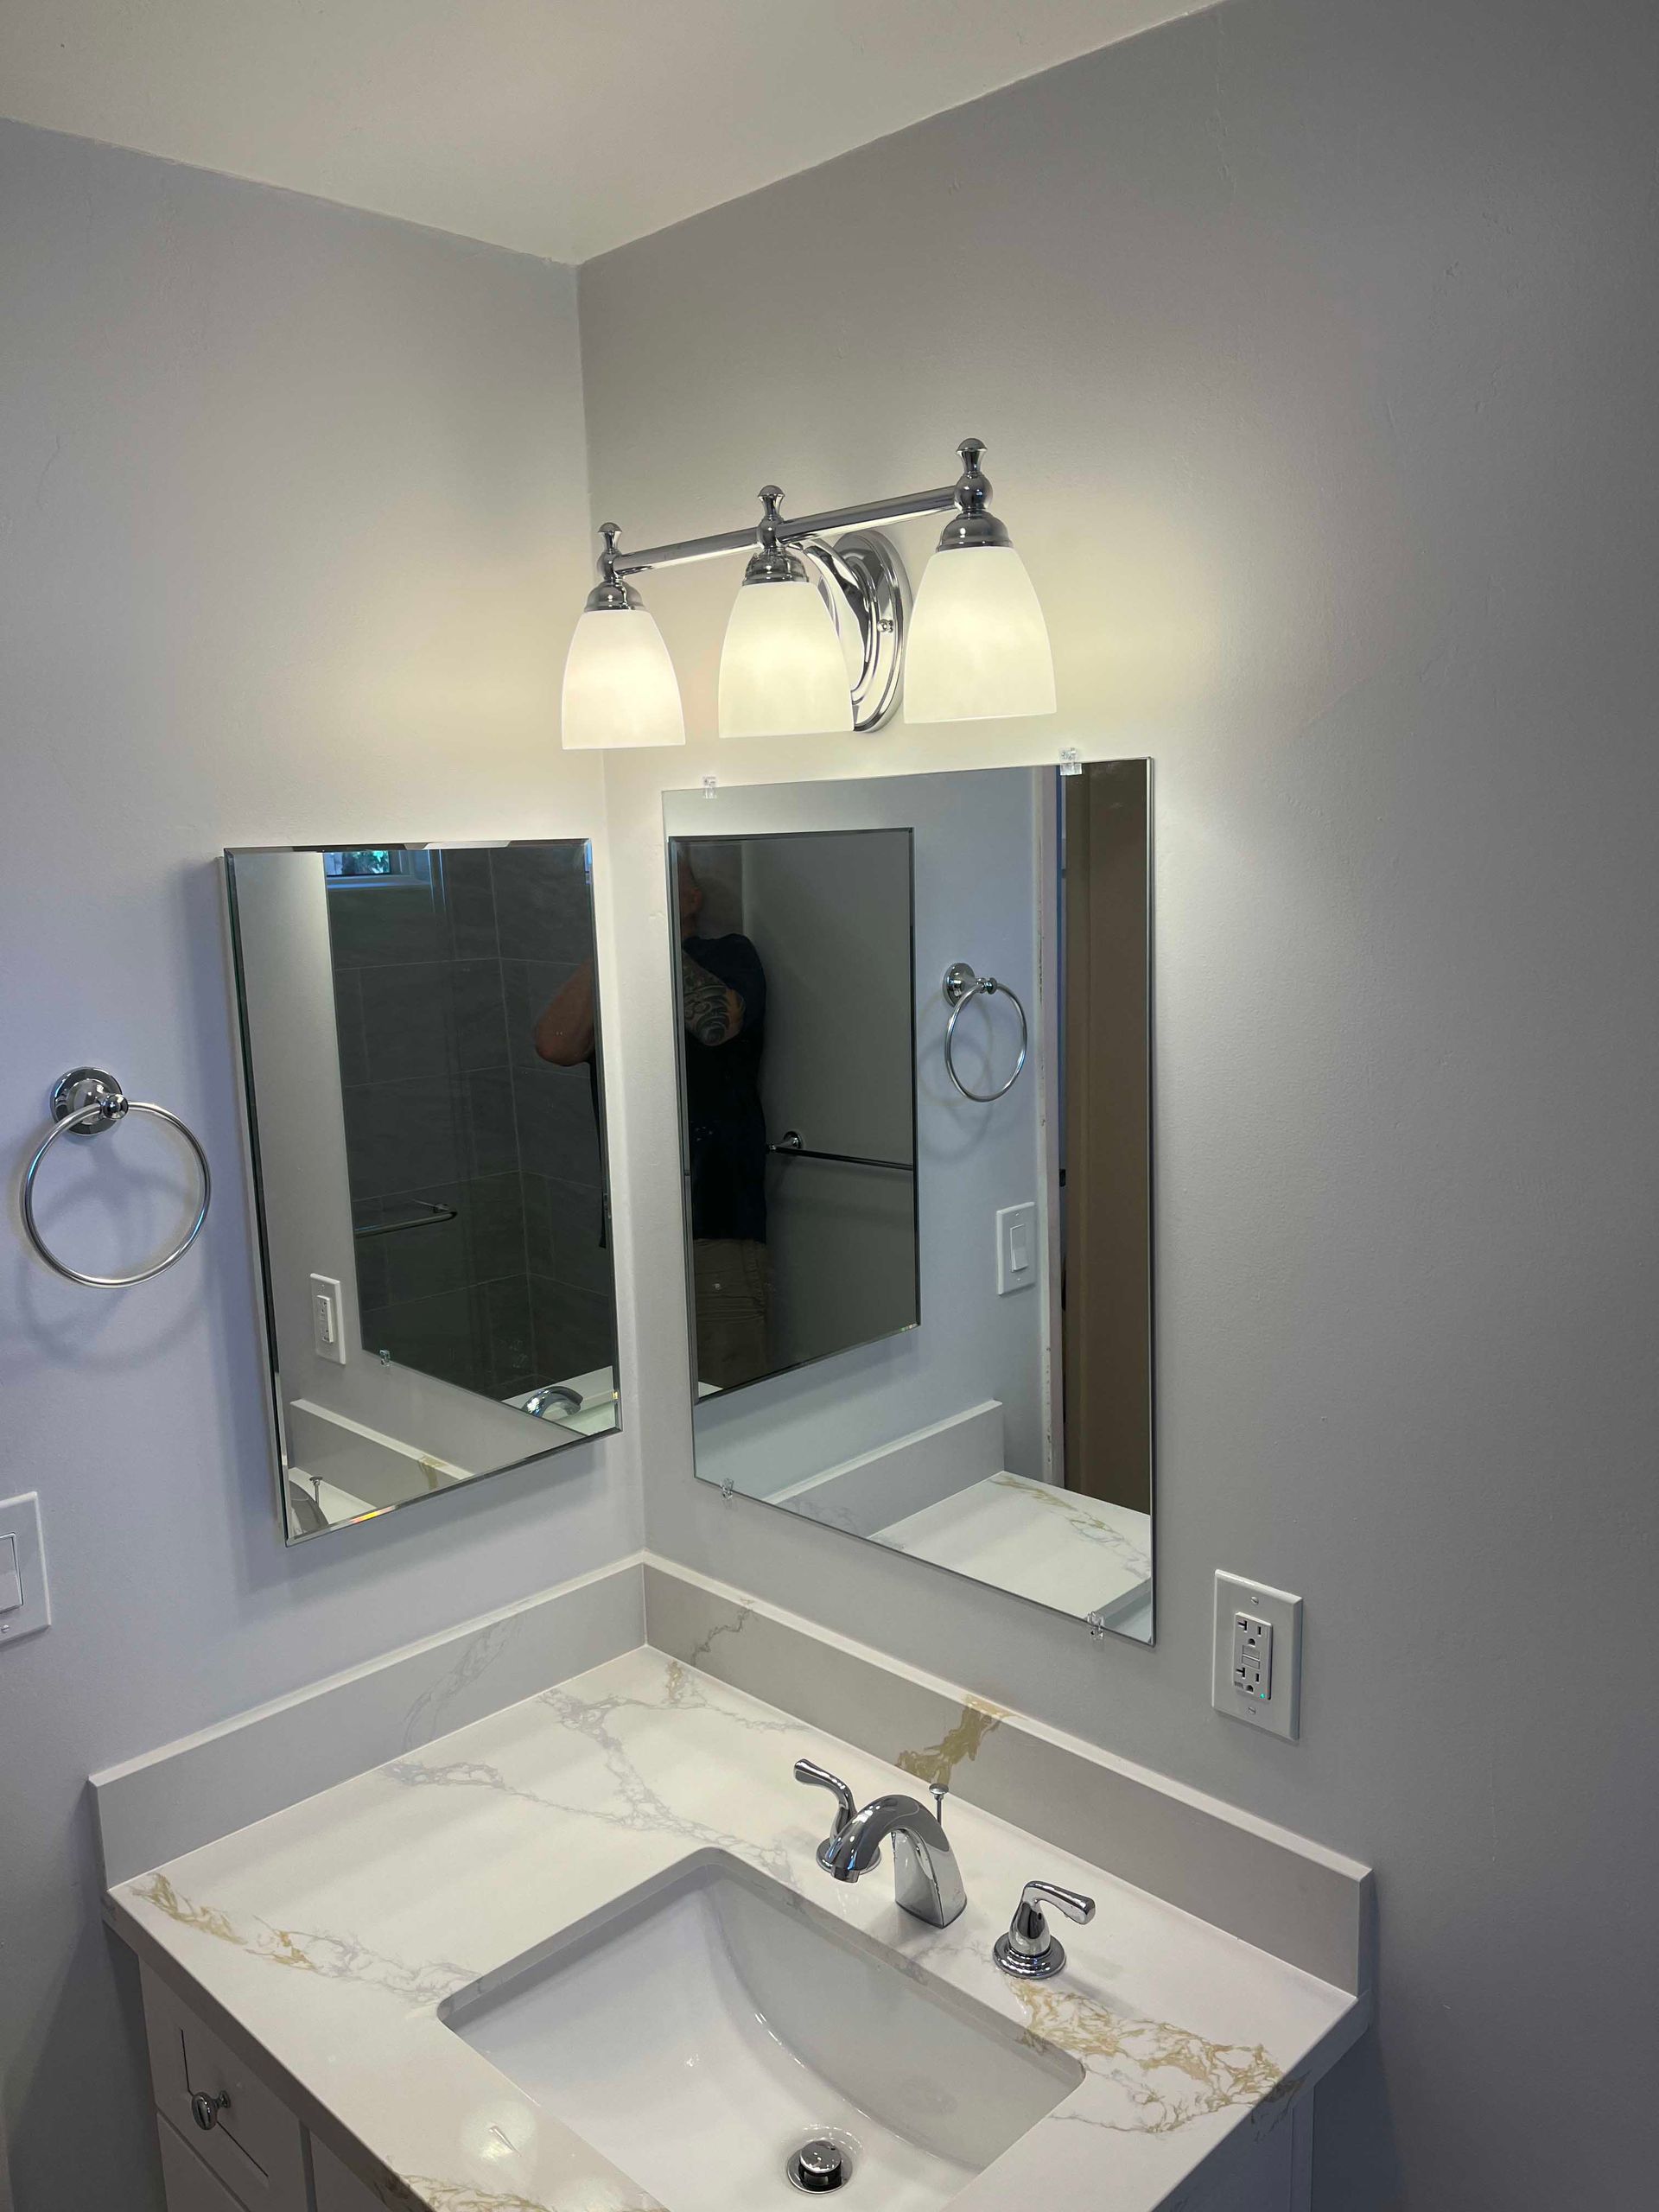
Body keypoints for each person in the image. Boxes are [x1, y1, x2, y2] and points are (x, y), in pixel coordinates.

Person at [534, 853, 770, 1389]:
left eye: (653, 882)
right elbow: (555, 1044)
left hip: (717, 1223)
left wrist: (651, 931)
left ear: (691, 899)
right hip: (637, 1229)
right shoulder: (616, 975)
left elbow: (717, 1026)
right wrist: (610, 940)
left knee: (727, 1400)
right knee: (647, 1398)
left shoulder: (729, 954)